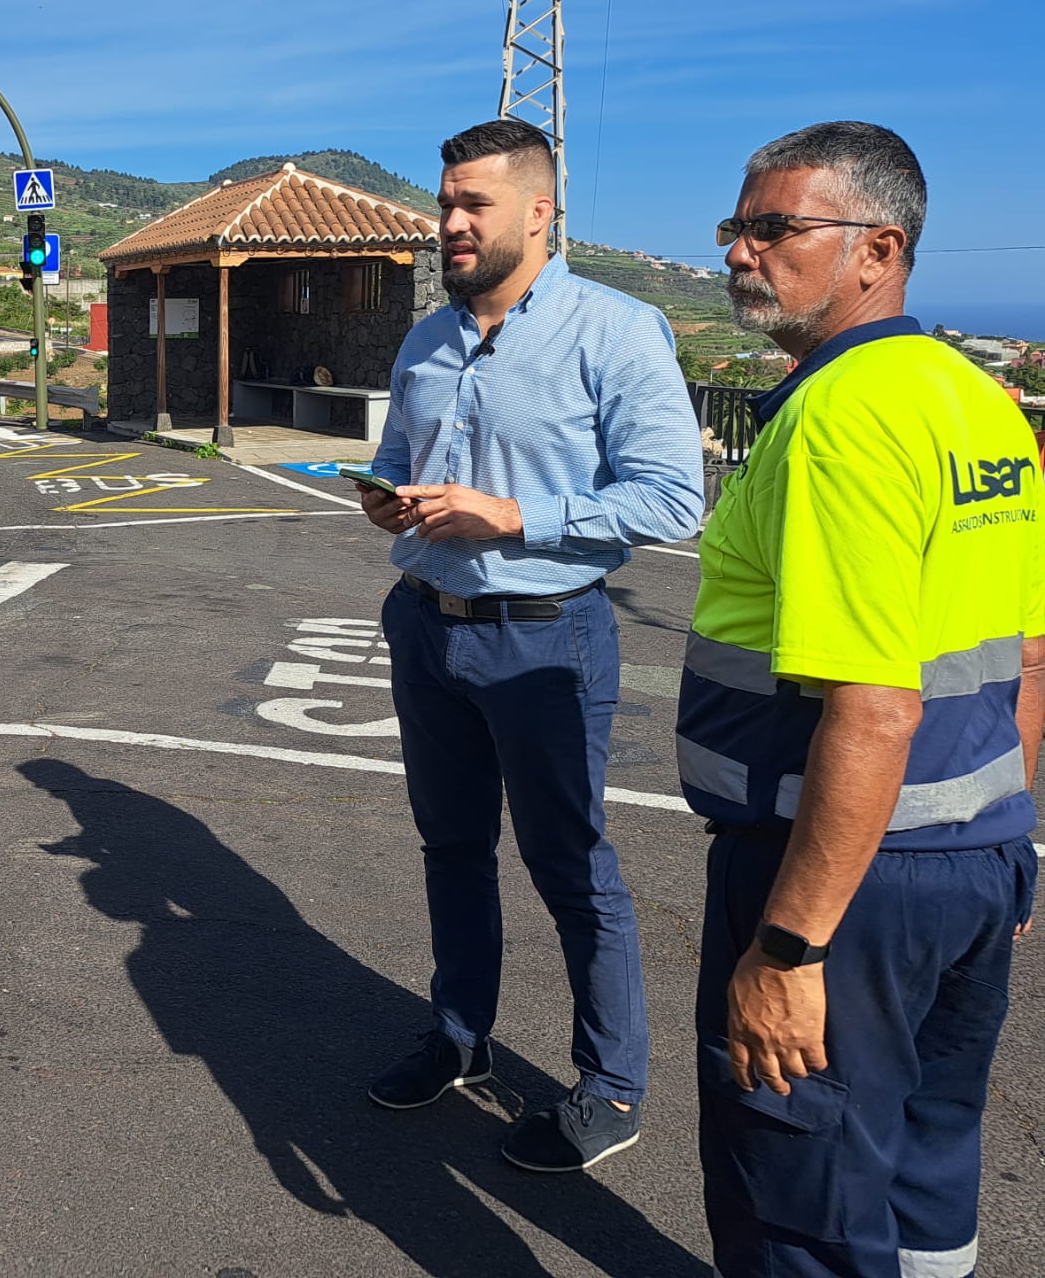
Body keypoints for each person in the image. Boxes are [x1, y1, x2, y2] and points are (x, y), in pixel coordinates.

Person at [678, 121, 1041, 1276]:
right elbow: (1026, 657)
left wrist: (787, 948)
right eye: (737, 226)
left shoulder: (838, 420)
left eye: (774, 227)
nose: (740, 250)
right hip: (968, 864)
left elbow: (872, 707)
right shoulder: (976, 399)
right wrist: (1006, 834)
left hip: (837, 875)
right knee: (926, 1171)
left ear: (877, 248)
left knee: (802, 1197)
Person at [359, 117, 704, 1172]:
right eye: (444, 205)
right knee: (450, 847)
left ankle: (608, 1086)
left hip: (545, 637)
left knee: (570, 866)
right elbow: (394, 456)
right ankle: (459, 1038)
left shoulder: (617, 329)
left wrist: (511, 517)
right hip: (426, 625)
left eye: (473, 206)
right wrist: (391, 504)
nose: (449, 225)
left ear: (539, 213)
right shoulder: (427, 334)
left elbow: (671, 498)